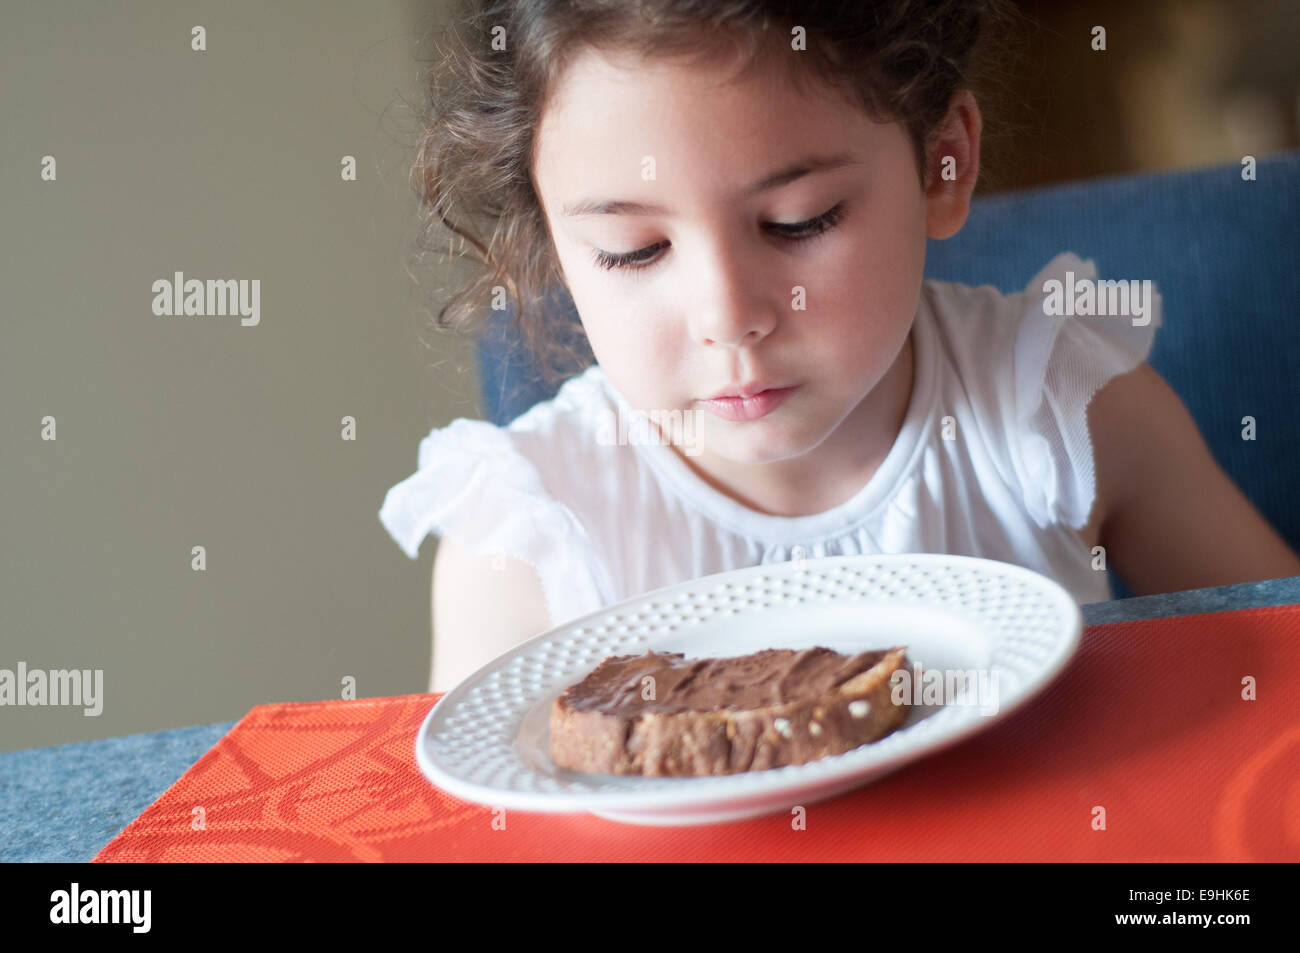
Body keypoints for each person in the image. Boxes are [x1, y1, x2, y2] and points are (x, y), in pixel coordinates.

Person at [379, 0, 1300, 692]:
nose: (728, 315)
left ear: (945, 163)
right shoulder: (527, 537)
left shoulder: (1062, 409)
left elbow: (1278, 677)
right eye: (636, 250)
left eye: (799, 220)